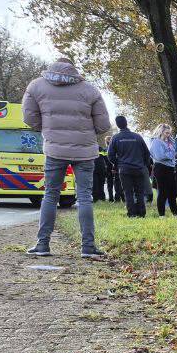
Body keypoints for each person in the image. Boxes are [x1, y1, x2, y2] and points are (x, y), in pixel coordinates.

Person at [21, 57, 110, 259]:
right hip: (85, 150)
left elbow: (28, 117)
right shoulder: (89, 89)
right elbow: (104, 125)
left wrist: (47, 129)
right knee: (85, 196)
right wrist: (86, 132)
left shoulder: (36, 86)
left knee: (50, 195)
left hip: (54, 150)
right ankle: (88, 247)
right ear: (73, 69)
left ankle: (43, 244)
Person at [107, 115, 152, 218]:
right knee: (139, 192)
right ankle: (141, 213)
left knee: (128, 192)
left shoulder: (115, 138)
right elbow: (147, 153)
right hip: (139, 168)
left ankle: (131, 214)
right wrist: (143, 164)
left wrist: (118, 164)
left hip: (124, 169)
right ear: (126, 123)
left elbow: (110, 155)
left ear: (118, 125)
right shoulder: (137, 137)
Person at [148, 123, 177, 217]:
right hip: (160, 168)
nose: (168, 135)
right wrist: (171, 155)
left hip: (171, 168)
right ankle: (162, 215)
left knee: (173, 191)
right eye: (166, 133)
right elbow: (160, 156)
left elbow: (176, 151)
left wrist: (170, 154)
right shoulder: (156, 142)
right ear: (161, 132)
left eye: (169, 133)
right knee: (162, 192)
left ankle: (175, 213)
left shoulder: (171, 141)